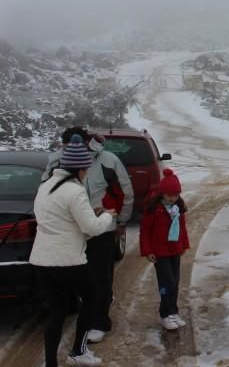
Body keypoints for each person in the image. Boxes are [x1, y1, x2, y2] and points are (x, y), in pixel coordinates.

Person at [29, 135, 117, 367]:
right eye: (86, 169)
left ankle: (51, 363)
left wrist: (91, 215)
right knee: (92, 297)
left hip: (41, 260)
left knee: (57, 311)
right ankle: (78, 351)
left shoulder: (45, 186)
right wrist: (108, 215)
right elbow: (92, 228)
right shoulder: (74, 191)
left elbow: (58, 221)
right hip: (68, 261)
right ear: (78, 169)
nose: (87, 173)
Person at [83, 134, 133, 343]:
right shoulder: (61, 160)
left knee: (101, 275)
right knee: (81, 275)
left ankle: (99, 321)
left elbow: (125, 192)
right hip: (76, 229)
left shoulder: (109, 161)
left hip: (103, 227)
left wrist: (121, 221)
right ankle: (87, 311)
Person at [140, 169, 190, 331]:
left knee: (175, 282)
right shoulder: (154, 208)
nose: (172, 199)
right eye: (169, 196)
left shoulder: (178, 207)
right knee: (166, 282)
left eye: (175, 196)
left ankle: (173, 311)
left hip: (174, 249)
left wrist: (184, 244)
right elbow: (145, 231)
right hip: (160, 252)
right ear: (162, 193)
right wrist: (148, 251)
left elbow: (182, 227)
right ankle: (165, 313)